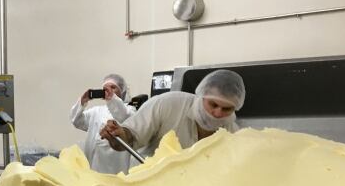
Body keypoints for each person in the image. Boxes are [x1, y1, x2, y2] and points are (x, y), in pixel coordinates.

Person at [101, 69, 245, 160]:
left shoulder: (233, 134)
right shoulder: (168, 104)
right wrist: (118, 135)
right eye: (213, 104)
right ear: (201, 97)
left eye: (226, 109)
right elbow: (131, 137)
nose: (218, 113)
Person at [70, 73, 136, 173]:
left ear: (122, 91)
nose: (109, 91)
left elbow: (123, 117)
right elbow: (76, 121)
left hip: (119, 164)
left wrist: (112, 99)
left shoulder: (130, 110)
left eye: (113, 87)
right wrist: (82, 102)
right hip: (97, 163)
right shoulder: (97, 111)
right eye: (105, 89)